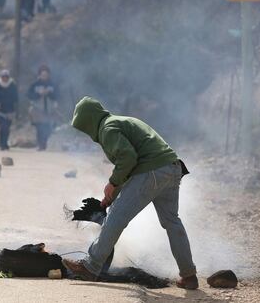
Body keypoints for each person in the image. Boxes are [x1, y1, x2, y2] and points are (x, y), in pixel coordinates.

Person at [62, 97, 197, 290]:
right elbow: (130, 169)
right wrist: (111, 195)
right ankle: (189, 275)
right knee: (172, 222)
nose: (87, 133)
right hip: (172, 168)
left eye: (84, 128)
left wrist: (112, 182)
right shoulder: (120, 121)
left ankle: (91, 266)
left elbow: (128, 159)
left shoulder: (107, 129)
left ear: (89, 121)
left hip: (152, 172)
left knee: (116, 218)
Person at [27, 65, 59, 150]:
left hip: (50, 110)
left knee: (48, 128)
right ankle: (41, 145)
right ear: (39, 75)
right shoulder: (34, 85)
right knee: (39, 128)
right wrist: (39, 94)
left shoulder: (52, 85)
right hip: (37, 109)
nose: (44, 76)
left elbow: (57, 96)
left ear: (49, 75)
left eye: (46, 75)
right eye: (43, 75)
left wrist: (48, 93)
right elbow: (29, 95)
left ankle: (44, 143)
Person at [0, 70, 18, 151]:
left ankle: (5, 143)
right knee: (3, 126)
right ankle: (2, 144)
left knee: (7, 128)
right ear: (1, 77)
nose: (4, 78)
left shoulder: (12, 85)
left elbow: (16, 98)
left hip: (10, 110)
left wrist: (11, 102)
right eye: (3, 77)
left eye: (6, 77)